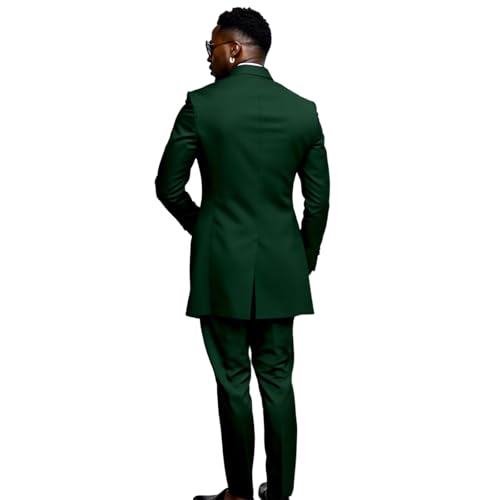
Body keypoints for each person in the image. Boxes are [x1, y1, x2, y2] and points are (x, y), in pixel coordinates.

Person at [155, 7, 329, 500]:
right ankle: (281, 494)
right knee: (278, 380)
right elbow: (318, 201)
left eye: (212, 47)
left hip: (220, 268)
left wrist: (205, 229)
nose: (208, 57)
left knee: (232, 382)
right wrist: (302, 258)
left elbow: (168, 186)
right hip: (281, 268)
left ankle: (237, 493)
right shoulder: (303, 110)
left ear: (233, 49)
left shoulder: (200, 105)